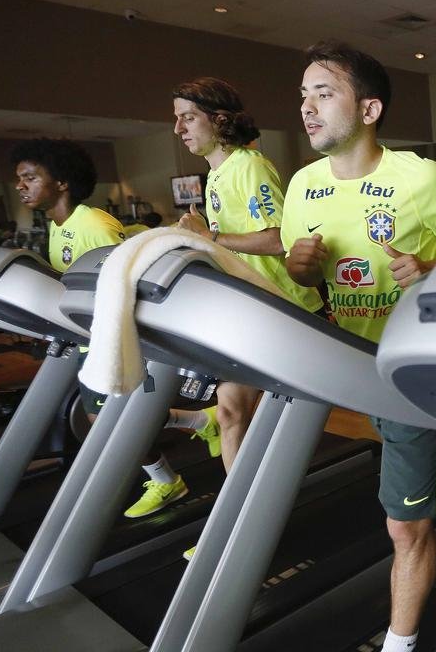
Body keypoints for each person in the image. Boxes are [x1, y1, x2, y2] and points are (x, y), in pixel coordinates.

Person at [282, 41, 436, 652]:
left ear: (369, 108)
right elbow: (306, 279)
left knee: (405, 527)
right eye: (303, 96)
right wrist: (302, 268)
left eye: (324, 93)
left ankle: (400, 644)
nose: (307, 107)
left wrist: (432, 266)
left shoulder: (421, 178)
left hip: (418, 367)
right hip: (354, 366)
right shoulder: (302, 185)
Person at [11, 138, 221, 520]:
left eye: (30, 177)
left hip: (114, 340)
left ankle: (167, 478)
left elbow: (131, 277)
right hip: (89, 337)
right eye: (19, 178)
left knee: (109, 420)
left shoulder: (94, 224)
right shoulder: (58, 226)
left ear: (61, 182)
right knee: (106, 418)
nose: (20, 186)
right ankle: (199, 423)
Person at [172, 76, 326, 559]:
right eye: (176, 119)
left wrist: (210, 238)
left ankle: (246, 520)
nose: (178, 128)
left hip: (283, 311)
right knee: (231, 412)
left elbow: (280, 238)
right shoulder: (216, 176)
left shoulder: (249, 166)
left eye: (188, 117)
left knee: (249, 415)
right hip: (249, 312)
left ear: (219, 120)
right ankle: (239, 524)